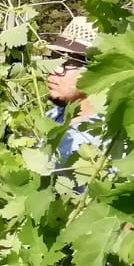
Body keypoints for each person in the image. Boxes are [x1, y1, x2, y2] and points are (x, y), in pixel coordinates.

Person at [44, 16, 104, 172]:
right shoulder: (55, 114)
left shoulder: (105, 139)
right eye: (53, 59)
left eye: (66, 63)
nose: (53, 70)